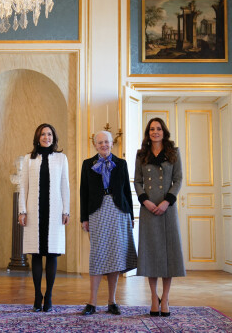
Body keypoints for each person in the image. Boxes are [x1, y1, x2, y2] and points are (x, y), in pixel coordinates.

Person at [80, 130, 137, 316]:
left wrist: (131, 215)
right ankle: (92, 303)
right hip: (97, 211)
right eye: (100, 142)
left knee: (115, 255)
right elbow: (84, 193)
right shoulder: (87, 164)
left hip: (119, 211)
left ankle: (112, 302)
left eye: (107, 142)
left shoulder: (121, 164)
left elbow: (127, 191)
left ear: (112, 144)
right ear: (95, 145)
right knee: (97, 255)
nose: (103, 145)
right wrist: (84, 218)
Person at [134, 118, 184, 317]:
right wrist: (145, 201)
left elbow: (178, 179)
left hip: (167, 208)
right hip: (148, 209)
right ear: (148, 132)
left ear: (164, 131)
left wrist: (167, 201)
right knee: (151, 254)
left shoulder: (174, 152)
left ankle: (166, 297)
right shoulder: (141, 154)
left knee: (168, 255)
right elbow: (137, 181)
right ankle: (154, 298)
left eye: (159, 128)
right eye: (152, 129)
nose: (156, 132)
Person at [18, 123, 70, 312]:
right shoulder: (28, 159)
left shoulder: (61, 158)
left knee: (52, 254)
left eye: (49, 134)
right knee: (36, 254)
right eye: (43, 134)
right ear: (37, 138)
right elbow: (23, 186)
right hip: (34, 211)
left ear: (54, 137)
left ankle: (48, 296)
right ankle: (37, 295)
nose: (46, 137)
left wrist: (66, 210)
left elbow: (65, 185)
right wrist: (22, 211)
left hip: (55, 211)